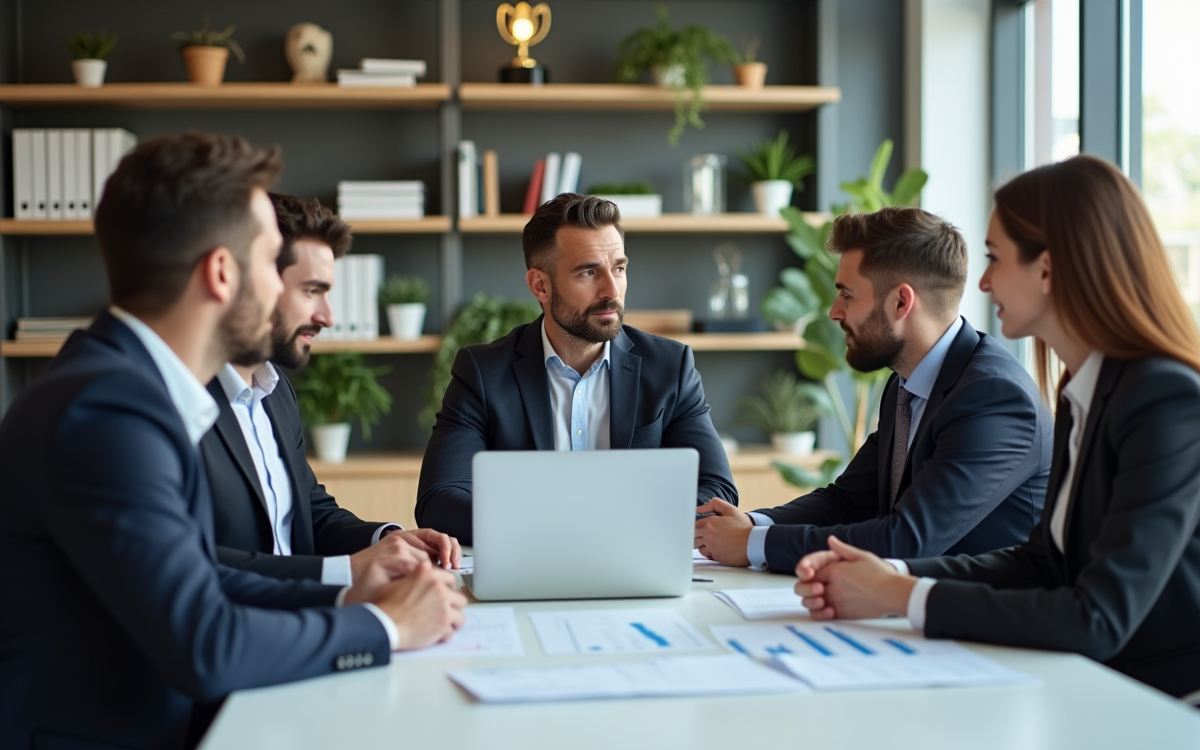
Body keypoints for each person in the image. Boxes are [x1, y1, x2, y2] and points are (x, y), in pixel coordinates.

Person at [0, 132, 466, 750]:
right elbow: (206, 643)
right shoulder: (106, 412)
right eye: (271, 262)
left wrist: (350, 595)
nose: (283, 290)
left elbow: (203, 576)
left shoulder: (131, 390)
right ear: (222, 274)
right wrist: (387, 626)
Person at [794, 154, 1200, 699]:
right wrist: (894, 580)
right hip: (1090, 685)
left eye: (994, 258)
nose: (982, 283)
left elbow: (1097, 617)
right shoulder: (1085, 393)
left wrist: (900, 595)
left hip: (1158, 706)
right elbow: (1042, 563)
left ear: (1047, 269)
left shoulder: (1163, 400)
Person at [694, 207, 1052, 572]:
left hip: (976, 606)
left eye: (847, 295)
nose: (834, 312)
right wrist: (752, 524)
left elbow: (907, 541)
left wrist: (753, 544)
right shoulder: (906, 385)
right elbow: (847, 501)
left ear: (901, 302)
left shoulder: (993, 397)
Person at [416, 192, 737, 542]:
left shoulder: (670, 367)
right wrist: (562, 526)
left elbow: (717, 490)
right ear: (540, 286)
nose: (611, 290)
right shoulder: (483, 372)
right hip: (531, 562)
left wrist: (610, 525)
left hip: (636, 559)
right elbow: (439, 501)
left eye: (619, 268)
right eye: (588, 272)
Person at [202, 193, 460, 584]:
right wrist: (348, 572)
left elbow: (309, 511)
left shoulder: (274, 391)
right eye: (311, 291)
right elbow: (191, 562)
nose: (327, 317)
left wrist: (386, 540)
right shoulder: (181, 403)